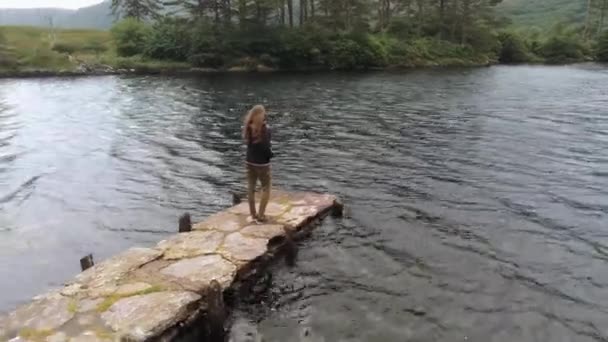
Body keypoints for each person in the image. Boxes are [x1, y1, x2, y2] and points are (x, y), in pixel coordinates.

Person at [243, 104, 273, 222]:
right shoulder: (266, 129)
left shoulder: (248, 128)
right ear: (261, 115)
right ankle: (261, 215)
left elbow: (249, 144)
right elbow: (266, 147)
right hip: (262, 164)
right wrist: (271, 155)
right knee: (266, 188)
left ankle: (253, 214)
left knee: (251, 187)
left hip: (249, 161)